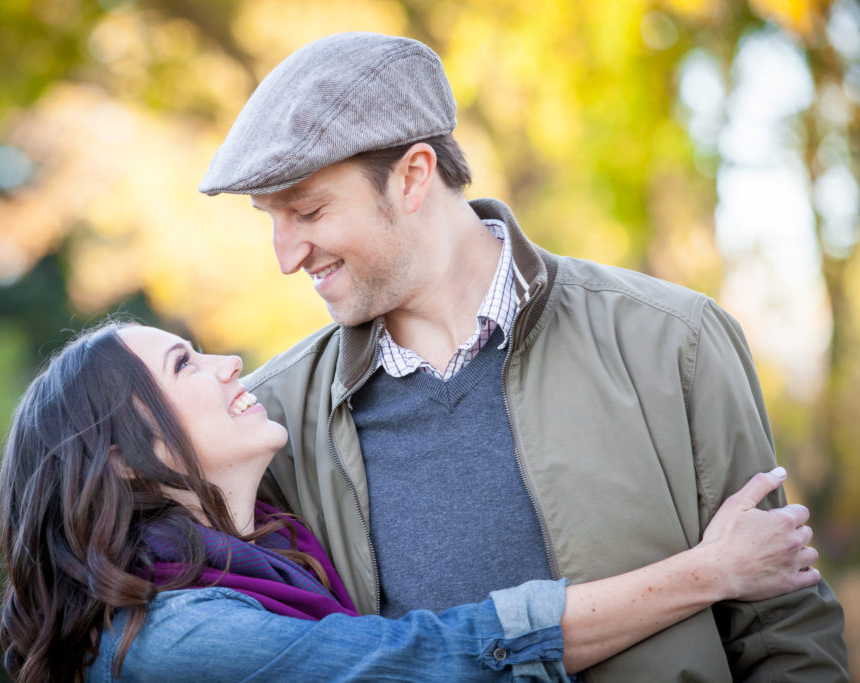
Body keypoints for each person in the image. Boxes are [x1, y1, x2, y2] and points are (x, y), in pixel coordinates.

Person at [198, 32, 848, 681]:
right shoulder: (274, 419)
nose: (286, 257)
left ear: (413, 176)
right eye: (270, 219)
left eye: (307, 212)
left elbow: (784, 629)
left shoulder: (674, 340)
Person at [0, 321, 821, 682]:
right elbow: (434, 660)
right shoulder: (170, 639)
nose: (228, 361)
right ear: (124, 459)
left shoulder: (277, 553)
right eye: (184, 366)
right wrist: (713, 571)